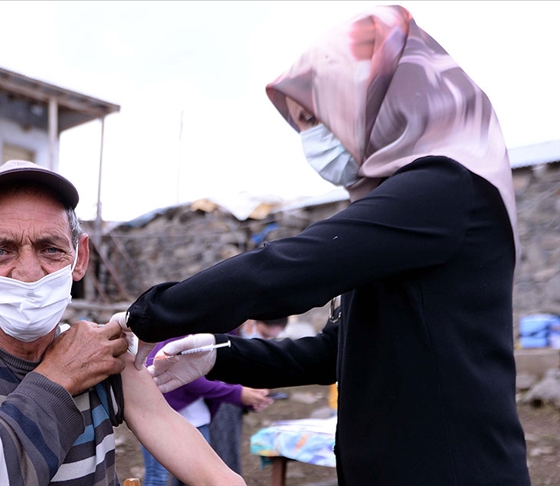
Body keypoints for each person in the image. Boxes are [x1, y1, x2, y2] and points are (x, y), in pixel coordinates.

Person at [116, 5, 529, 485]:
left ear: (372, 98)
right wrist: (221, 354)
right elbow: (334, 351)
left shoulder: (445, 188)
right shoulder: (403, 207)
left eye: (315, 117)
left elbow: (287, 271)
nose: (310, 138)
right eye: (301, 123)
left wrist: (145, 316)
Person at [0, 160, 244, 486]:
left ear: (80, 257)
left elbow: (197, 458)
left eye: (51, 249)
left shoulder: (101, 353)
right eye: (0, 250)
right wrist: (60, 375)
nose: (28, 273)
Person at [140, 337, 271, 486]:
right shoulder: (176, 326)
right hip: (162, 417)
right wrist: (238, 394)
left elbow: (221, 372)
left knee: (199, 477)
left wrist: (249, 397)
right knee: (157, 478)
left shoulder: (223, 329)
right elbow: (190, 377)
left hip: (198, 419)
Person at [207, 317, 287, 474]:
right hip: (211, 407)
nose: (268, 341)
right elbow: (205, 380)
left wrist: (251, 397)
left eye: (272, 338)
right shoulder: (224, 332)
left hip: (227, 404)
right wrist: (239, 393)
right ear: (252, 322)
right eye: (264, 334)